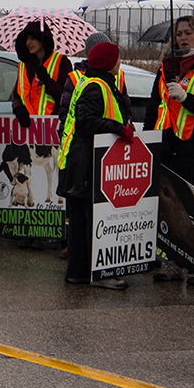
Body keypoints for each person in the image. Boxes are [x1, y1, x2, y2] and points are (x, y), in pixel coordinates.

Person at [144, 16, 194, 285]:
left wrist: (186, 97)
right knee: (170, 208)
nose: (183, 38)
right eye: (178, 34)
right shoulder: (165, 69)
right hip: (169, 147)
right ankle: (172, 264)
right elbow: (154, 107)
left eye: (188, 33)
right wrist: (149, 139)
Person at [56, 42, 134, 290]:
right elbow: (86, 120)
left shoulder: (93, 82)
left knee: (80, 220)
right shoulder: (97, 86)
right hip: (87, 163)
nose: (120, 62)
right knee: (95, 219)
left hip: (80, 161)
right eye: (118, 59)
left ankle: (77, 272)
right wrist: (118, 129)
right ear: (110, 63)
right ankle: (101, 273)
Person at [11, 19, 73, 249]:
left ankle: (56, 233)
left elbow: (68, 96)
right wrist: (18, 109)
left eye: (34, 38)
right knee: (31, 177)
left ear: (44, 40)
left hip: (55, 132)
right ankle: (31, 231)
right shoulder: (23, 66)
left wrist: (47, 80)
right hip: (30, 132)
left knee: (54, 177)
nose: (29, 42)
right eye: (26, 38)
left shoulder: (61, 62)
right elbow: (17, 95)